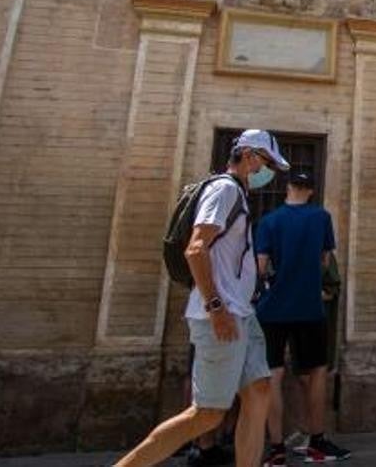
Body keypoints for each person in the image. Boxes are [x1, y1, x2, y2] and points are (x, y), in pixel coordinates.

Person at [116, 130, 289, 467]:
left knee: (259, 391)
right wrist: (215, 307)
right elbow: (196, 249)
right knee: (207, 414)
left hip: (242, 314)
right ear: (250, 155)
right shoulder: (224, 189)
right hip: (222, 315)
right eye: (266, 163)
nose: (266, 173)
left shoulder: (235, 193)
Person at [255, 172, 350, 466]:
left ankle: (276, 447)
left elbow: (259, 267)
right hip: (308, 306)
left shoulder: (269, 221)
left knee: (272, 375)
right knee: (316, 371)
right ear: (310, 191)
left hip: (271, 309)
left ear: (288, 188)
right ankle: (317, 441)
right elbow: (324, 260)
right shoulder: (321, 217)